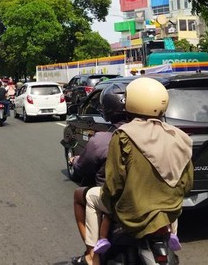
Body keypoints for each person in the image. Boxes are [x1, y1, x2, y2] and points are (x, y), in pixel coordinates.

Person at [84, 77, 193, 264]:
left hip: (132, 212)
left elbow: (114, 184)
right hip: (170, 210)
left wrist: (111, 205)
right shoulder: (180, 137)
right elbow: (187, 184)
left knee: (89, 198)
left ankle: (92, 255)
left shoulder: (123, 135)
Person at [70, 81, 128, 265]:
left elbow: (81, 168)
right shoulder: (159, 135)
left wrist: (75, 161)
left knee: (80, 196)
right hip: (157, 197)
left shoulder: (103, 139)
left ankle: (91, 254)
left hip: (116, 198)